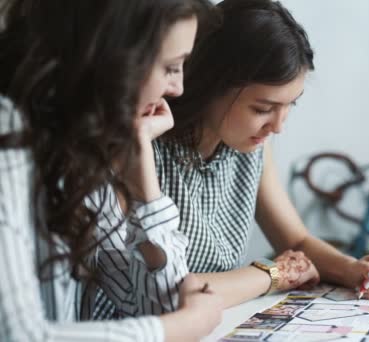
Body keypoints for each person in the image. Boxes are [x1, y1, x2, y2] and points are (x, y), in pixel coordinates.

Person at [0, 0, 223, 341]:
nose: (177, 88)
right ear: (114, 59)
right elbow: (21, 336)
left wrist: (144, 177)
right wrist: (186, 325)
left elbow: (151, 307)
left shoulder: (79, 143)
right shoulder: (7, 130)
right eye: (170, 67)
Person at [157, 0, 369, 308]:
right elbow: (167, 290)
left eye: (291, 105)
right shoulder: (150, 148)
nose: (277, 126)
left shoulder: (250, 148)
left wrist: (355, 270)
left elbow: (296, 241)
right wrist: (273, 273)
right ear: (211, 85)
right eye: (263, 109)